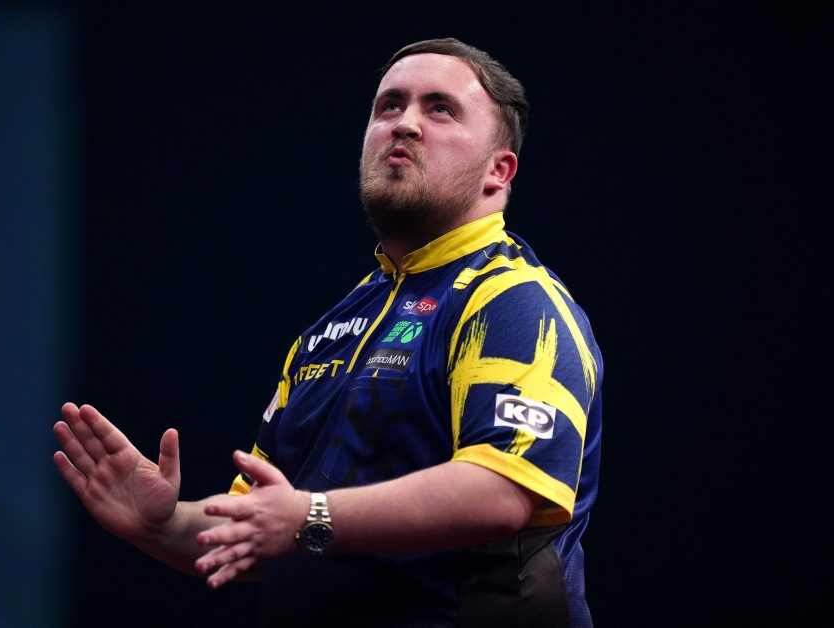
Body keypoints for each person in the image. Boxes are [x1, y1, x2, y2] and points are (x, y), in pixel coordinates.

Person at [53, 37, 603, 627]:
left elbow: (503, 489)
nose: (405, 124)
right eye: (389, 105)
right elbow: (258, 523)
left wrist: (308, 516)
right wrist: (161, 524)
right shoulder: (330, 330)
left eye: (440, 108)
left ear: (499, 171)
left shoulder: (514, 301)